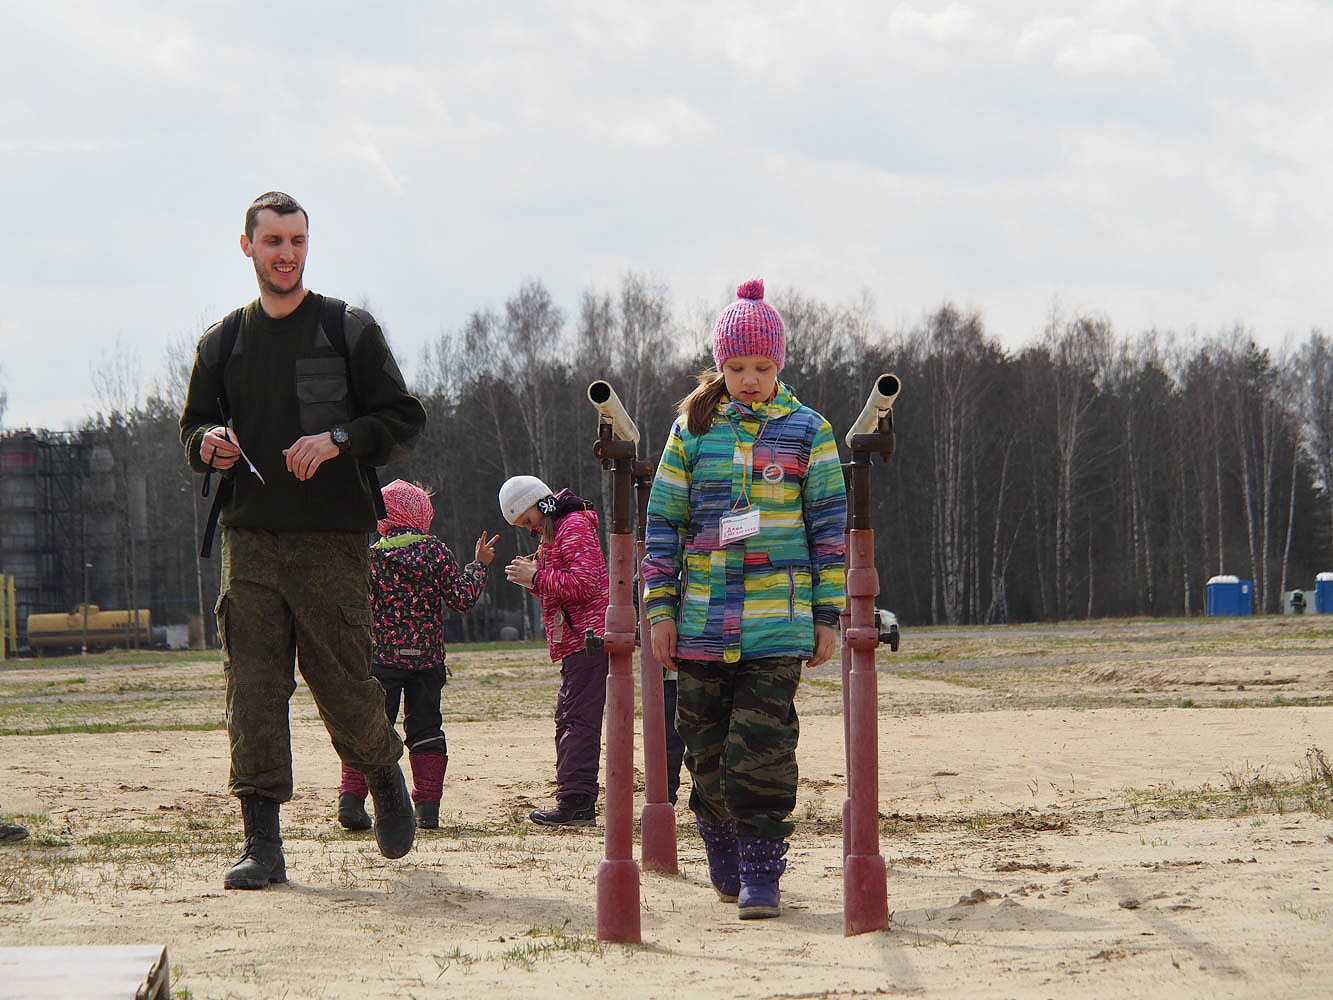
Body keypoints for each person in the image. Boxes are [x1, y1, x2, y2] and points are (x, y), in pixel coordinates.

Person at [180, 191, 428, 890]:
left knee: (343, 683)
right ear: (247, 247)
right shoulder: (221, 342)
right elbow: (191, 427)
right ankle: (262, 843)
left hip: (332, 540)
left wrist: (340, 438)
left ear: (306, 246)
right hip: (250, 538)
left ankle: (382, 773)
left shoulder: (345, 328)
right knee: (252, 690)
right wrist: (207, 446)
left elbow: (403, 418)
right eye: (272, 242)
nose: (285, 253)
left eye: (295, 240)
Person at [642, 278, 847, 919]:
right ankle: (721, 847)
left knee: (761, 747)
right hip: (701, 621)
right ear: (719, 365)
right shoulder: (691, 432)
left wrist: (828, 615)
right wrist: (660, 610)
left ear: (779, 363)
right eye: (737, 367)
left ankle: (763, 871)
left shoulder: (808, 432)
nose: (750, 378)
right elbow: (663, 525)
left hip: (775, 624)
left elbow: (829, 530)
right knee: (703, 748)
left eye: (762, 366)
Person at [336, 479, 498, 832]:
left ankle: (351, 799)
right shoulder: (435, 551)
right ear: (421, 513)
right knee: (426, 730)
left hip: (382, 660)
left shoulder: (372, 555)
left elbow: (362, 606)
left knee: (371, 729)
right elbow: (461, 599)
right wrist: (479, 565)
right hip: (427, 661)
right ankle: (427, 808)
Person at [498, 475, 610, 826]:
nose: (529, 530)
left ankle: (576, 803)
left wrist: (536, 578)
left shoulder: (572, 525)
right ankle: (574, 798)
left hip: (588, 638)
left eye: (528, 521)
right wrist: (533, 578)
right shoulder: (559, 527)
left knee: (577, 720)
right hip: (578, 639)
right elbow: (566, 584)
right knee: (570, 717)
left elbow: (584, 583)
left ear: (539, 504)